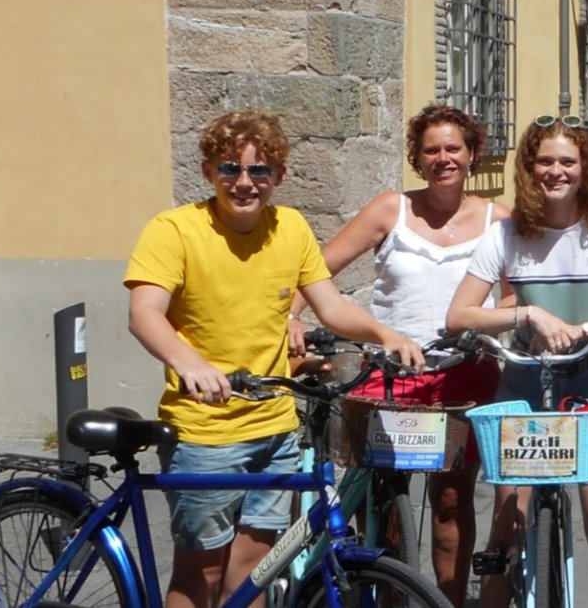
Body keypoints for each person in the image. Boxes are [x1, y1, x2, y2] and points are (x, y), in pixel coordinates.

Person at [125, 110, 424, 608]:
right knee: (202, 574)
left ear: (278, 177)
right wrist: (190, 363)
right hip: (207, 432)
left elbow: (328, 305)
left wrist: (382, 332)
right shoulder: (174, 230)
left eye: (258, 171)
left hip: (274, 427)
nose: (244, 183)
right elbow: (145, 313)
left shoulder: (289, 227)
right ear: (208, 173)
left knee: (253, 575)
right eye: (230, 169)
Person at [289, 104, 506, 605]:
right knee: (384, 499)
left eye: (454, 148)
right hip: (391, 375)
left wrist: (488, 325)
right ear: (418, 158)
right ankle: (385, 596)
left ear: (472, 155)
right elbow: (316, 268)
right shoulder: (392, 210)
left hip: (464, 375)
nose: (443, 158)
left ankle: (444, 600)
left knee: (452, 502)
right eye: (431, 149)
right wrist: (293, 314)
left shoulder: (500, 220)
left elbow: (514, 295)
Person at [446, 116, 588, 608]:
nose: (556, 171)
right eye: (545, 161)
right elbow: (459, 314)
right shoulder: (508, 235)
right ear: (528, 167)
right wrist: (528, 313)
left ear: (586, 167)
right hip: (523, 381)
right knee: (506, 526)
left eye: (568, 161)